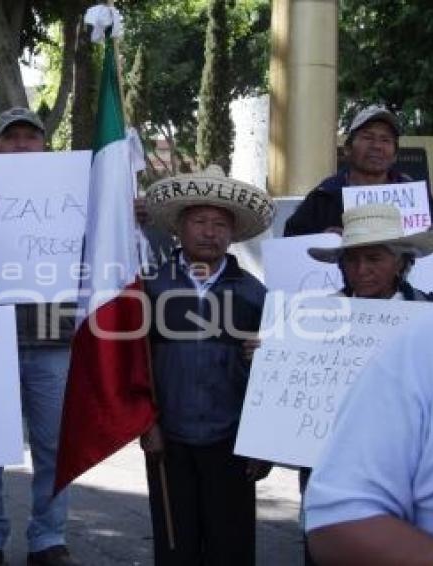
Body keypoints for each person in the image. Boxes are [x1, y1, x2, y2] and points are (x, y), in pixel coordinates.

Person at [140, 165, 274, 565]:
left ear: (232, 233)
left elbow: (271, 377)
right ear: (179, 227)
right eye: (200, 221)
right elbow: (136, 365)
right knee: (175, 546)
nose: (210, 231)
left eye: (220, 223)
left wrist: (262, 443)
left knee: (230, 548)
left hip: (232, 442)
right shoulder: (151, 288)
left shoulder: (254, 294)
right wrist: (147, 425)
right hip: (170, 441)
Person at [0, 107, 79, 566]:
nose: (20, 146)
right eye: (10, 138)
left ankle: (48, 537)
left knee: (54, 446)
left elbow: (107, 237)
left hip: (54, 337)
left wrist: (127, 211)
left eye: (29, 137)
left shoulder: (73, 190)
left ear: (44, 144)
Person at [304, 307, 433, 564]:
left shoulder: (421, 308)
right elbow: (341, 520)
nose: (362, 270)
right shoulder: (427, 341)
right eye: (350, 263)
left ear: (400, 266)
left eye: (373, 262)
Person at [284, 104, 433, 236]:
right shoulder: (324, 197)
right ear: (348, 149)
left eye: (385, 140)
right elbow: (292, 245)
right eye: (367, 137)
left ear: (395, 155)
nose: (376, 146)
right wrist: (321, 241)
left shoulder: (416, 197)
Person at [307, 203, 433, 301]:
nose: (361, 270)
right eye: (351, 259)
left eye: (373, 259)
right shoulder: (321, 315)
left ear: (400, 263)